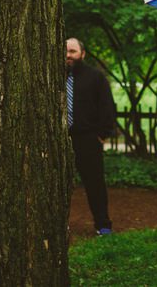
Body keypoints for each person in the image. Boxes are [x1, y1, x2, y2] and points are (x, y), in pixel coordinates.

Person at [65, 37, 117, 235]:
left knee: (95, 184)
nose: (68, 55)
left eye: (73, 51)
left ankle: (103, 225)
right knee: (59, 184)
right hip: (60, 140)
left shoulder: (95, 77)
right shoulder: (51, 76)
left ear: (83, 54)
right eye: (65, 51)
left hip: (87, 139)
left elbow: (107, 106)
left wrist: (102, 135)